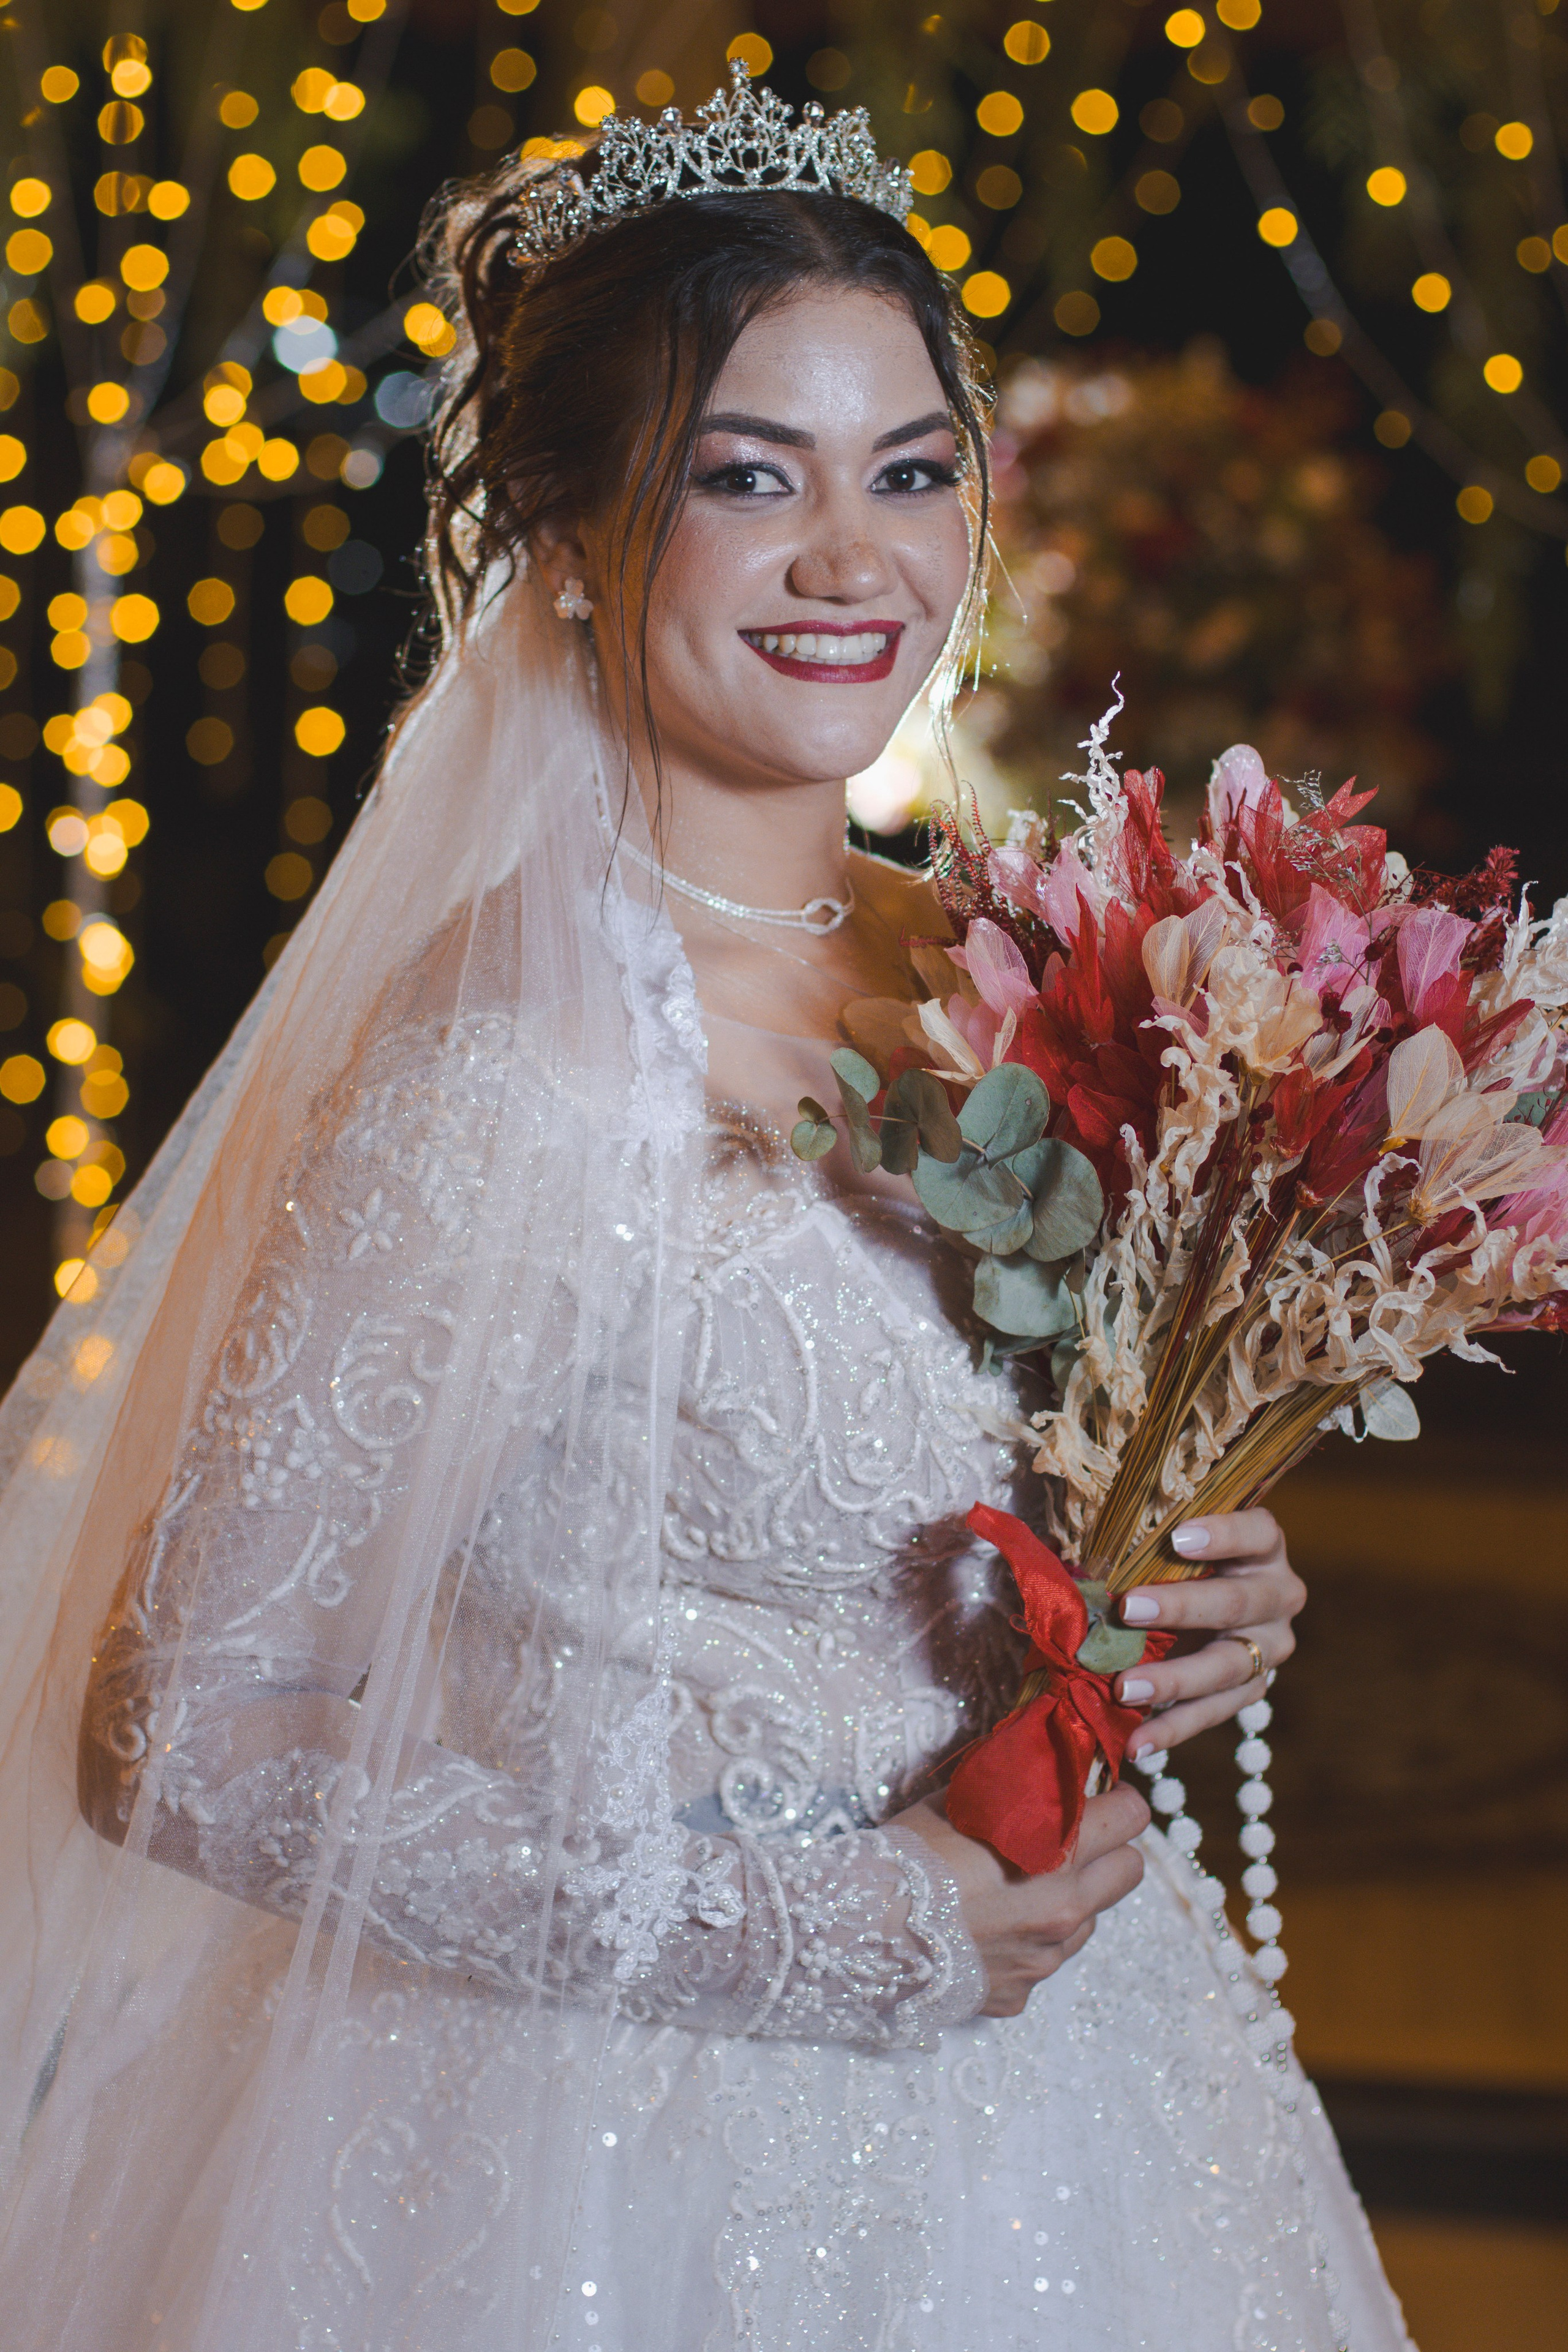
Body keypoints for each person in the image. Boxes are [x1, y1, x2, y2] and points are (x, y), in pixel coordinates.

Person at [0, 68, 1412, 2352]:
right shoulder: (513, 1066)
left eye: (909, 471)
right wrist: (844, 1937)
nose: (854, 561)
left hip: (1075, 2093)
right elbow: (176, 1730)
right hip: (615, 2165)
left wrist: (1179, 1561)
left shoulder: (1014, 966)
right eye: (748, 479)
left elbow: (980, 1512)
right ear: (570, 531)